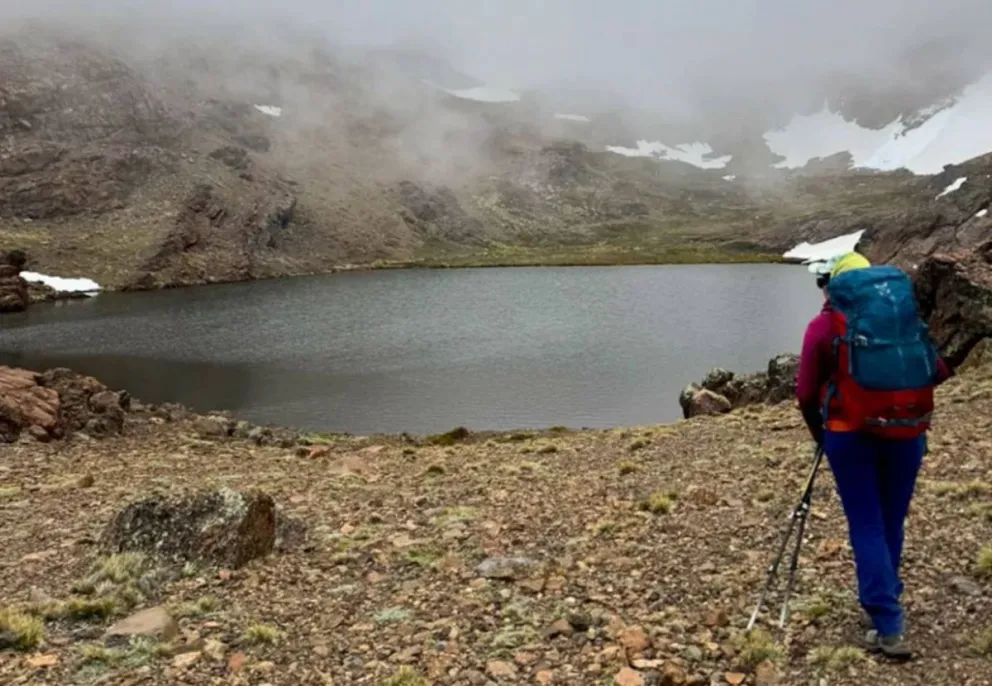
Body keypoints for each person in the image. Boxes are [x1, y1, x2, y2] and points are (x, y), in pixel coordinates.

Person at [795, 251, 952, 659]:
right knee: (890, 520)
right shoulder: (901, 321)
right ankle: (885, 599)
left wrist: (821, 435)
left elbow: (805, 394)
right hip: (907, 432)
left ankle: (888, 623)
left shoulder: (823, 326)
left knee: (867, 524)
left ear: (834, 285)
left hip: (850, 437)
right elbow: (937, 371)